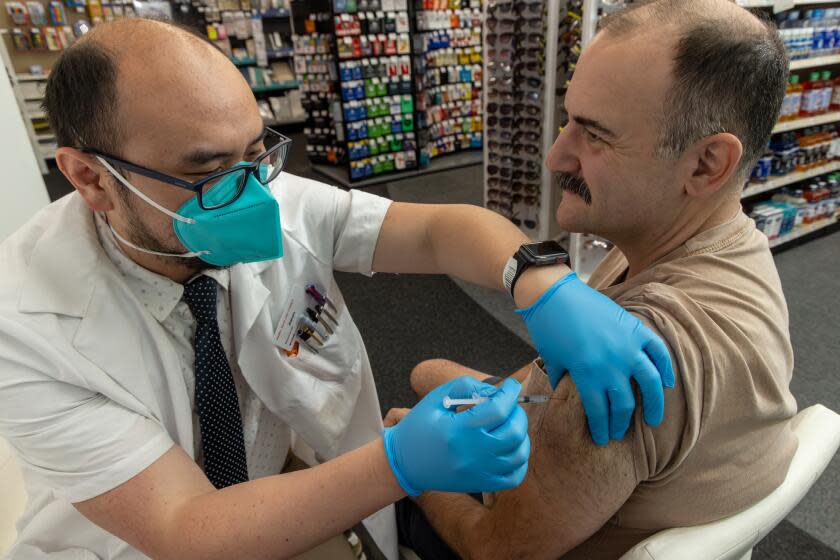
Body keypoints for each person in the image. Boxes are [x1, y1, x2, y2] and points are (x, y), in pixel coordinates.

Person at [0, 17, 675, 560]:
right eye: (210, 172)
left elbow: (441, 230)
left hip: (279, 478)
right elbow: (187, 529)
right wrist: (402, 463)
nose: (259, 198)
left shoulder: (274, 198)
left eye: (257, 152)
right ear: (89, 178)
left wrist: (541, 279)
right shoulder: (25, 325)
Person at [392, 1, 800, 558]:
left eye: (595, 135)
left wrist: (404, 462)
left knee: (383, 435)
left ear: (707, 164)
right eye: (568, 120)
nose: (556, 156)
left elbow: (498, 551)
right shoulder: (728, 246)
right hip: (590, 477)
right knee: (426, 373)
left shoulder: (631, 364)